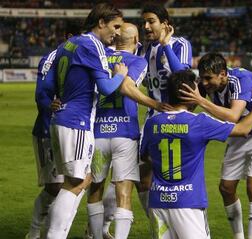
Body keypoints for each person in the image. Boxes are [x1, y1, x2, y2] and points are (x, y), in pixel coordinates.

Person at [46, 3, 169, 238]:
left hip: (89, 128)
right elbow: (115, 87)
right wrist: (127, 81)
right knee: (90, 186)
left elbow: (51, 84)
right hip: (104, 129)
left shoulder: (70, 45)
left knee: (90, 186)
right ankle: (55, 234)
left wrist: (55, 101)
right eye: (113, 26)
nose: (115, 32)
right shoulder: (106, 51)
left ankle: (91, 234)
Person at [140, 69, 252, 239]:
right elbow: (243, 129)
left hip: (158, 202)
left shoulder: (152, 123)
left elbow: (144, 157)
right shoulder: (199, 122)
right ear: (190, 96)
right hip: (189, 203)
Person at [180, 53, 252, 239]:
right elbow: (187, 106)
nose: (204, 83)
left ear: (223, 74)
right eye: (202, 78)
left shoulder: (240, 79)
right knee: (226, 187)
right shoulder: (207, 84)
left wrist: (201, 101)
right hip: (240, 131)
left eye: (208, 78)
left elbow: (233, 115)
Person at [86, 22, 161, 239]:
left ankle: (96, 236)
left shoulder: (99, 57)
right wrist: (153, 104)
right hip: (125, 135)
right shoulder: (138, 61)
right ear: (136, 40)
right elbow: (127, 86)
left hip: (98, 133)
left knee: (96, 189)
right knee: (124, 192)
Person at [26, 22, 81, 239]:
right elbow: (40, 95)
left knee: (74, 183)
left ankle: (58, 231)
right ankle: (33, 231)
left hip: (75, 130)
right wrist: (51, 104)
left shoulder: (83, 58)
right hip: (48, 131)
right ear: (68, 37)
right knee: (55, 187)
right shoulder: (51, 58)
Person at [137, 2, 193, 216]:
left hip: (178, 119)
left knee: (176, 178)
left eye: (151, 21)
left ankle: (186, 221)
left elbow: (184, 79)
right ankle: (157, 226)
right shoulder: (145, 49)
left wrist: (165, 45)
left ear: (165, 24)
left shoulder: (181, 44)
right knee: (142, 178)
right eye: (144, 22)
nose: (146, 26)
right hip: (152, 118)